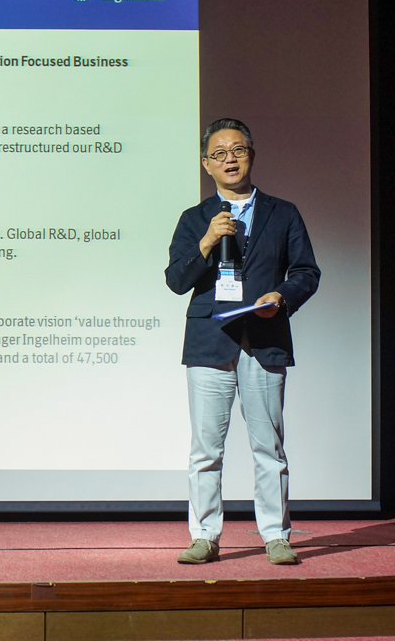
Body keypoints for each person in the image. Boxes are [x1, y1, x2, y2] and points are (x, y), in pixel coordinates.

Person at [164, 118, 320, 566]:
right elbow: (176, 280)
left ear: (251, 156)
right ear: (206, 164)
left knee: (269, 446)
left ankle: (276, 535)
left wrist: (281, 297)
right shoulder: (194, 219)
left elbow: (306, 272)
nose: (229, 160)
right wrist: (208, 241)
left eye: (237, 150)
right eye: (219, 154)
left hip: (264, 339)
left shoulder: (283, 213)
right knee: (206, 449)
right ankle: (204, 536)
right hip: (210, 342)